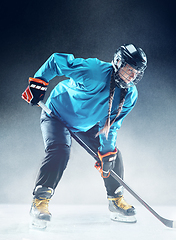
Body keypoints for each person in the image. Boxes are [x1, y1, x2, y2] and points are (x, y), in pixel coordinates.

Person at [21, 44, 147, 227]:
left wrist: (105, 153)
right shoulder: (93, 71)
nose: (132, 75)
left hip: (86, 124)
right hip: (57, 114)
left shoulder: (129, 95)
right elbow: (57, 61)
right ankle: (39, 202)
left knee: (113, 156)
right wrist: (38, 84)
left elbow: (110, 126)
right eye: (129, 69)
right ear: (118, 63)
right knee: (59, 152)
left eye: (136, 72)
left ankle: (115, 201)